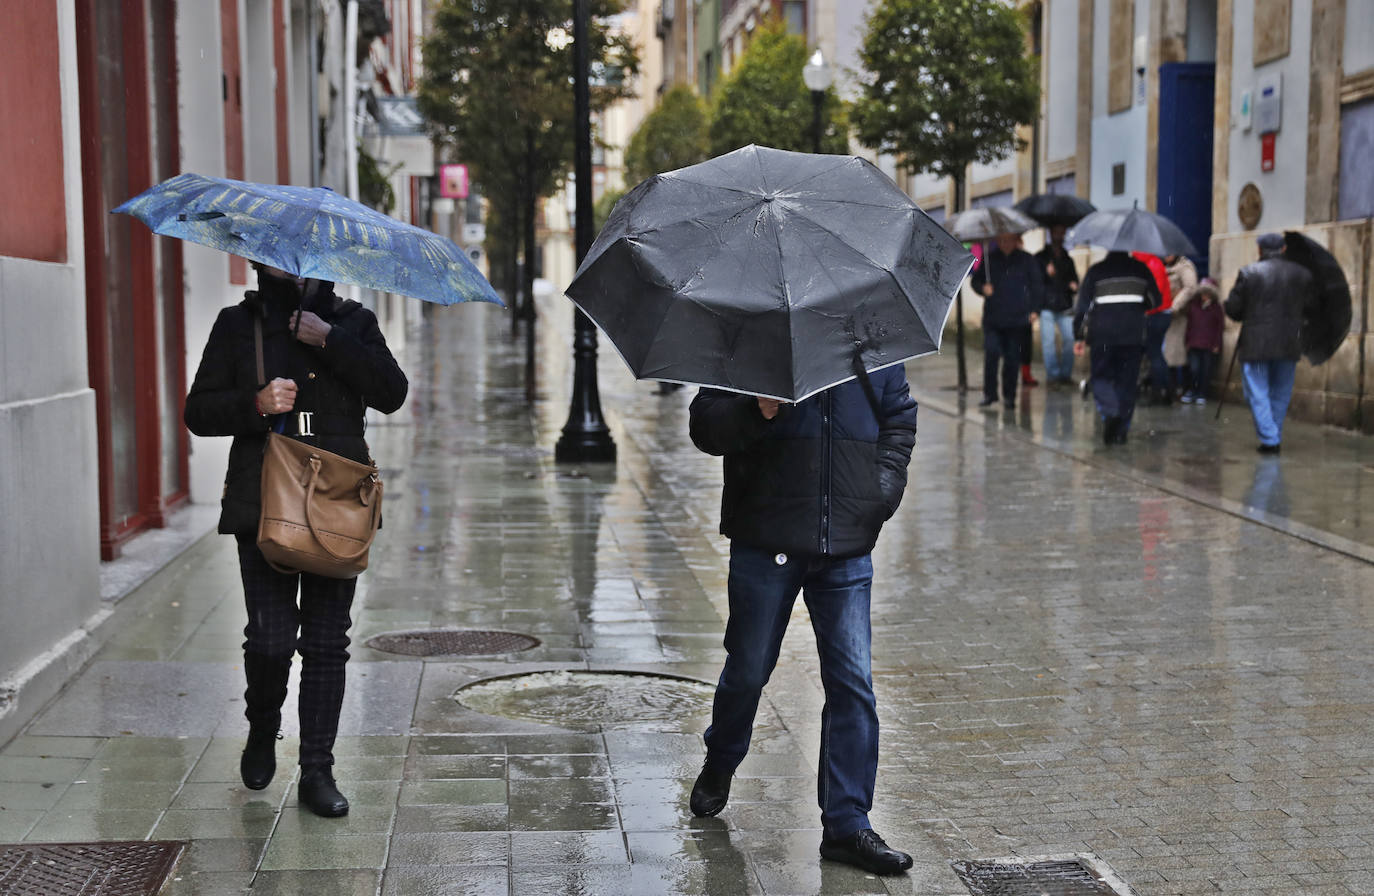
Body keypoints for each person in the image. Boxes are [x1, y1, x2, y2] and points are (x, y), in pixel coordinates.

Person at [184, 263, 408, 817]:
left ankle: (317, 770)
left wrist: (329, 339)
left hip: (337, 506)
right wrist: (256, 405)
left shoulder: (353, 321)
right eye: (276, 255)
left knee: (328, 644)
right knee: (270, 639)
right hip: (263, 502)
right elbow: (198, 412)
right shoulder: (239, 324)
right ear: (260, 261)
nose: (289, 264)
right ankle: (263, 729)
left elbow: (391, 393)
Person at [687, 369, 919, 876]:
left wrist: (877, 495)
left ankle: (847, 823)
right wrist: (757, 408)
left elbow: (899, 418)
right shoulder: (750, 332)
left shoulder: (870, 333)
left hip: (847, 542)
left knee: (853, 683)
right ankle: (722, 757)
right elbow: (705, 428)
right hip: (766, 532)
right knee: (748, 670)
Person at [1223, 233, 1319, 453]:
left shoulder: (1249, 273)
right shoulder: (1302, 275)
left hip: (1256, 344)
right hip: (1288, 343)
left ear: (1260, 250)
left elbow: (1235, 310)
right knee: (1281, 391)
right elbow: (1312, 307)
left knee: (1257, 391)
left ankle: (1270, 438)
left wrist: (1228, 305)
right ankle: (1272, 433)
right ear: (1283, 249)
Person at [1074, 251, 1161, 444]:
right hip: (1132, 334)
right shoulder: (1141, 270)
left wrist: (1079, 335)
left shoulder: (1096, 271)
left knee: (1100, 377)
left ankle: (1110, 412)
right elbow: (1156, 300)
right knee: (1127, 382)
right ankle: (1121, 431)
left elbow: (1083, 306)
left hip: (1102, 335)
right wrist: (1137, 303)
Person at [972, 231, 1044, 408]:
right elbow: (975, 281)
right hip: (993, 319)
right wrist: (983, 288)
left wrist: (1035, 310)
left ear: (1015, 240)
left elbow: (1037, 285)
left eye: (1009, 239)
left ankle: (1010, 396)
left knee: (1012, 359)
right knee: (992, 354)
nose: (1005, 243)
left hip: (1017, 320)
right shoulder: (990, 259)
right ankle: (990, 394)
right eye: (1002, 240)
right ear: (997, 240)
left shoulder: (1027, 260)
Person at [1034, 225, 1080, 386]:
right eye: (1056, 231)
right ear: (1051, 233)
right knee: (1048, 342)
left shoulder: (1068, 259)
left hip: (1065, 305)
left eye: (1062, 232)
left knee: (1069, 339)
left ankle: (1065, 375)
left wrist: (1073, 284)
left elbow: (1073, 280)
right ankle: (1052, 377)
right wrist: (1045, 273)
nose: (1059, 235)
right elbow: (1035, 282)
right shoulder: (1040, 258)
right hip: (1047, 305)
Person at [1132, 251, 1174, 405]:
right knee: (1154, 352)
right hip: (1159, 313)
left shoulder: (1151, 265)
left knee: (1154, 353)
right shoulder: (1153, 262)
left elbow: (1154, 295)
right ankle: (1165, 389)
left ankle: (1161, 391)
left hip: (1156, 314)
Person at [1161, 253, 1200, 396]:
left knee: (1177, 355)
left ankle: (1182, 388)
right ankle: (1167, 387)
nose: (1167, 255)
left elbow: (1190, 288)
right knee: (1165, 354)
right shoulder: (1161, 267)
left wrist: (1174, 306)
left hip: (1178, 317)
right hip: (1162, 315)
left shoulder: (1185, 267)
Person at [1180, 278, 1223, 403]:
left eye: (1207, 293)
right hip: (1194, 343)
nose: (1204, 296)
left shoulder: (1216, 308)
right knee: (1194, 369)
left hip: (1208, 345)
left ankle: (1201, 393)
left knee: (1205, 371)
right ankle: (1192, 390)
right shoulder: (1194, 306)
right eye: (1203, 293)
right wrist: (1187, 341)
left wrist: (1217, 344)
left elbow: (1219, 328)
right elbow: (1189, 325)